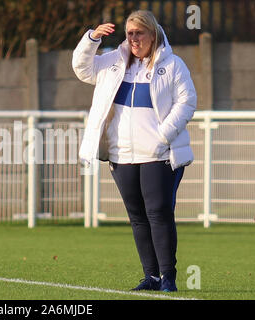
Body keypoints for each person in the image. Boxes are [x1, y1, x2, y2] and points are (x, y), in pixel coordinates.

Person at [72, 10, 197, 292]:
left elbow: (188, 101)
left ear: (153, 35)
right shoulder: (113, 62)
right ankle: (151, 277)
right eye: (129, 34)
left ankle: (168, 278)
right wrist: (91, 39)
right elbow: (82, 70)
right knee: (137, 216)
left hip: (158, 154)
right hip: (121, 154)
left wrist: (163, 135)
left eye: (139, 33)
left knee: (159, 213)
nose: (134, 39)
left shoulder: (173, 64)